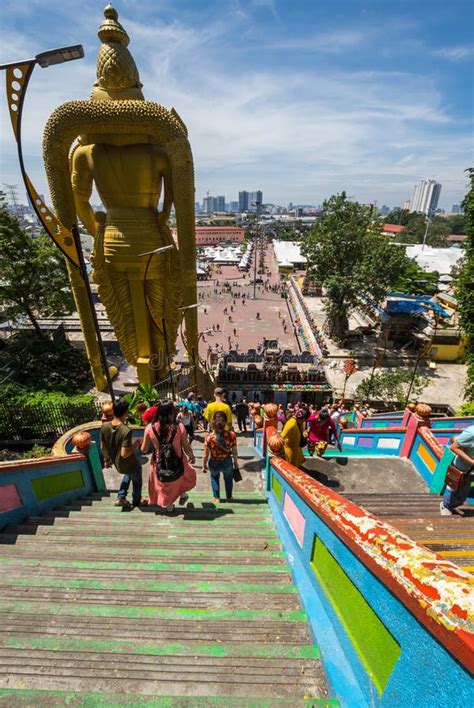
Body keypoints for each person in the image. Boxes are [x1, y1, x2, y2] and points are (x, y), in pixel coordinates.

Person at [141, 400, 196, 512]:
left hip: (159, 462)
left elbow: (144, 449)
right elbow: (186, 446)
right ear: (173, 412)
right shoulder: (179, 427)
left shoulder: (149, 428)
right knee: (180, 478)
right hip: (178, 460)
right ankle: (182, 494)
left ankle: (169, 506)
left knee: (164, 484)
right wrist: (191, 456)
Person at [101, 398, 146, 509]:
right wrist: (136, 444)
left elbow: (103, 447)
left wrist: (107, 460)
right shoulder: (126, 430)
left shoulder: (104, 427)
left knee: (127, 474)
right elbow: (125, 453)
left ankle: (121, 496)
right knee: (136, 480)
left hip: (118, 464)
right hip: (130, 463)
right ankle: (137, 501)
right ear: (125, 412)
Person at [202, 411, 239, 503]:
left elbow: (206, 454)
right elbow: (234, 451)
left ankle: (216, 498)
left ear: (213, 421)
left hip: (214, 461)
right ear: (225, 422)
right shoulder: (231, 435)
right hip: (227, 461)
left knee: (214, 478)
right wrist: (236, 463)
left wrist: (204, 465)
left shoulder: (209, 437)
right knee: (228, 479)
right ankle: (229, 497)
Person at [440, 425, 474, 515]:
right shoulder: (471, 432)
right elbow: (454, 447)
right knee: (460, 498)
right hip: (466, 470)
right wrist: (472, 462)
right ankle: (445, 505)